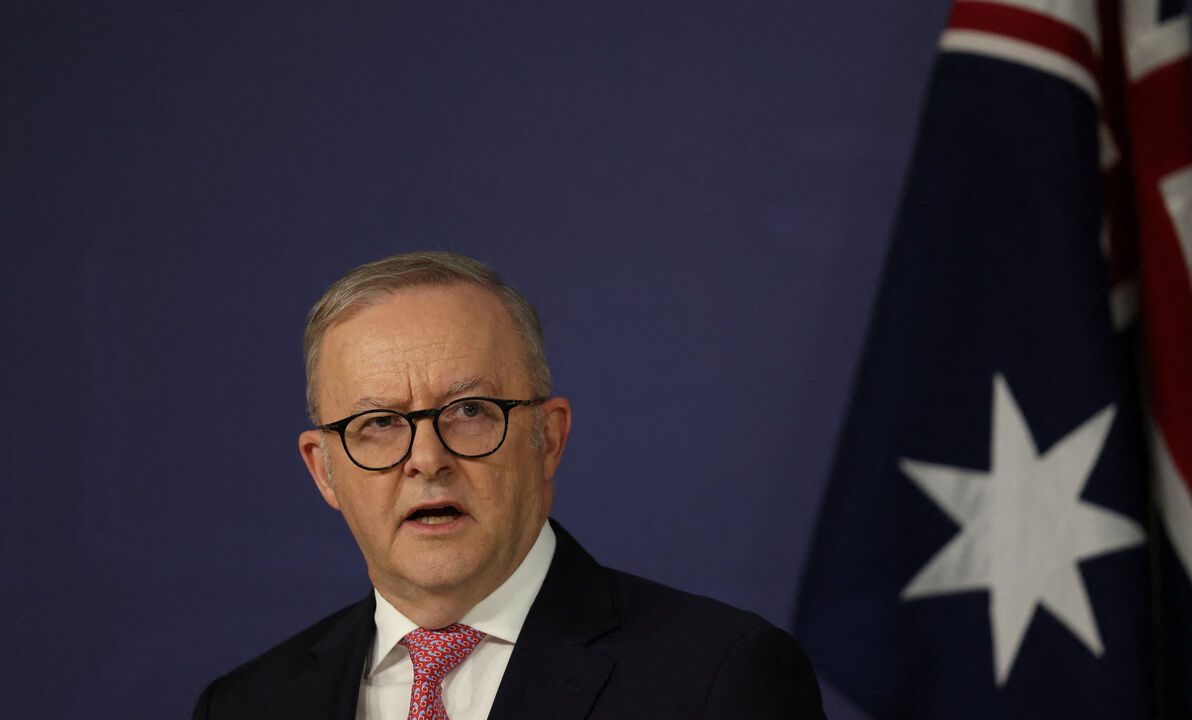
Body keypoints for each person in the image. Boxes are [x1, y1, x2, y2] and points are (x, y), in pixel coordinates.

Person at [192, 251, 825, 719]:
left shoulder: (719, 680)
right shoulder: (246, 705)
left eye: (469, 412)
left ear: (547, 438)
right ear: (324, 469)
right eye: (379, 423)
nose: (426, 459)